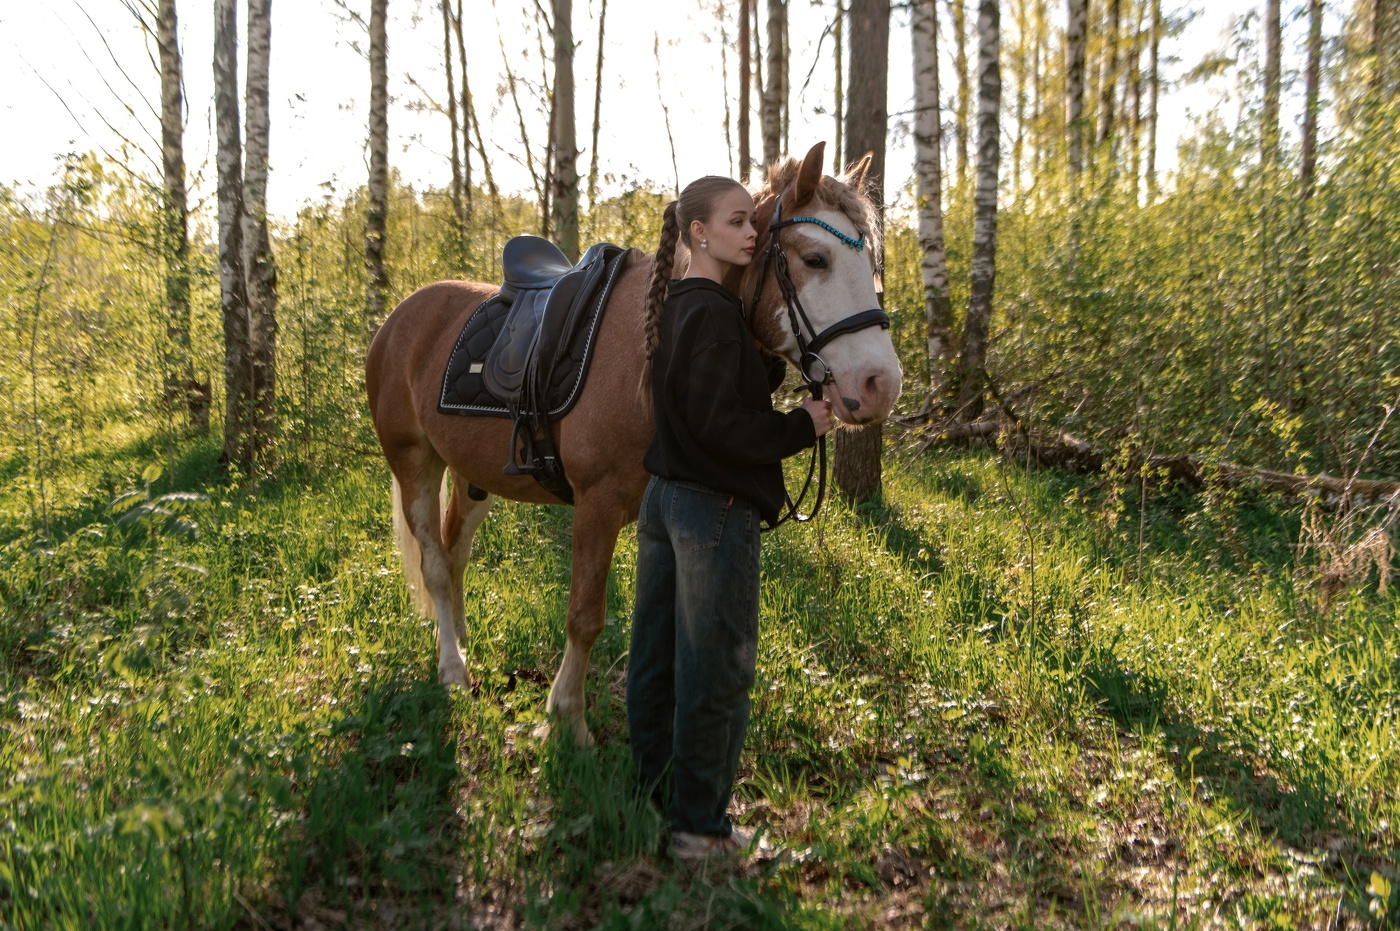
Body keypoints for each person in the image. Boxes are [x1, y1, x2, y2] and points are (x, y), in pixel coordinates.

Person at [626, 175, 834, 860]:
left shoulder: (677, 303)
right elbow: (724, 428)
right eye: (738, 221)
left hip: (664, 500)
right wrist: (802, 425)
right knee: (715, 672)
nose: (752, 233)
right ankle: (700, 830)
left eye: (753, 221)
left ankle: (653, 803)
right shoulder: (714, 314)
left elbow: (708, 395)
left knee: (657, 664)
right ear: (699, 232)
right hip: (712, 508)